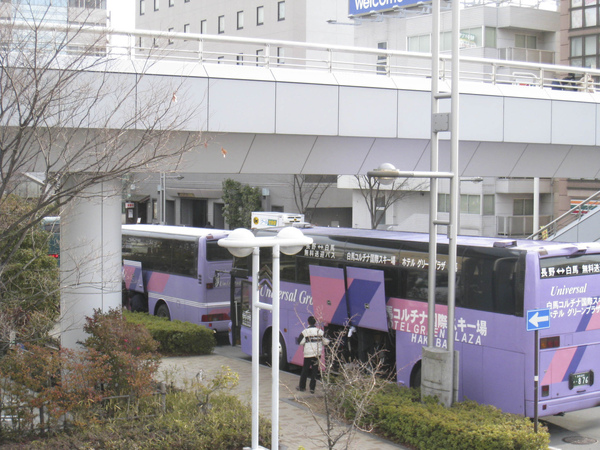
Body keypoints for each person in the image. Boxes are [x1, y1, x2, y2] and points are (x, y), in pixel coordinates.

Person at [297, 316, 329, 394]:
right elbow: (326, 341)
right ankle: (312, 388)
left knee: (305, 370)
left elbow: (300, 342)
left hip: (308, 354)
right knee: (314, 371)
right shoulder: (320, 332)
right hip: (317, 354)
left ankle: (302, 387)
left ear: (308, 322)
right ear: (315, 322)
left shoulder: (305, 332)